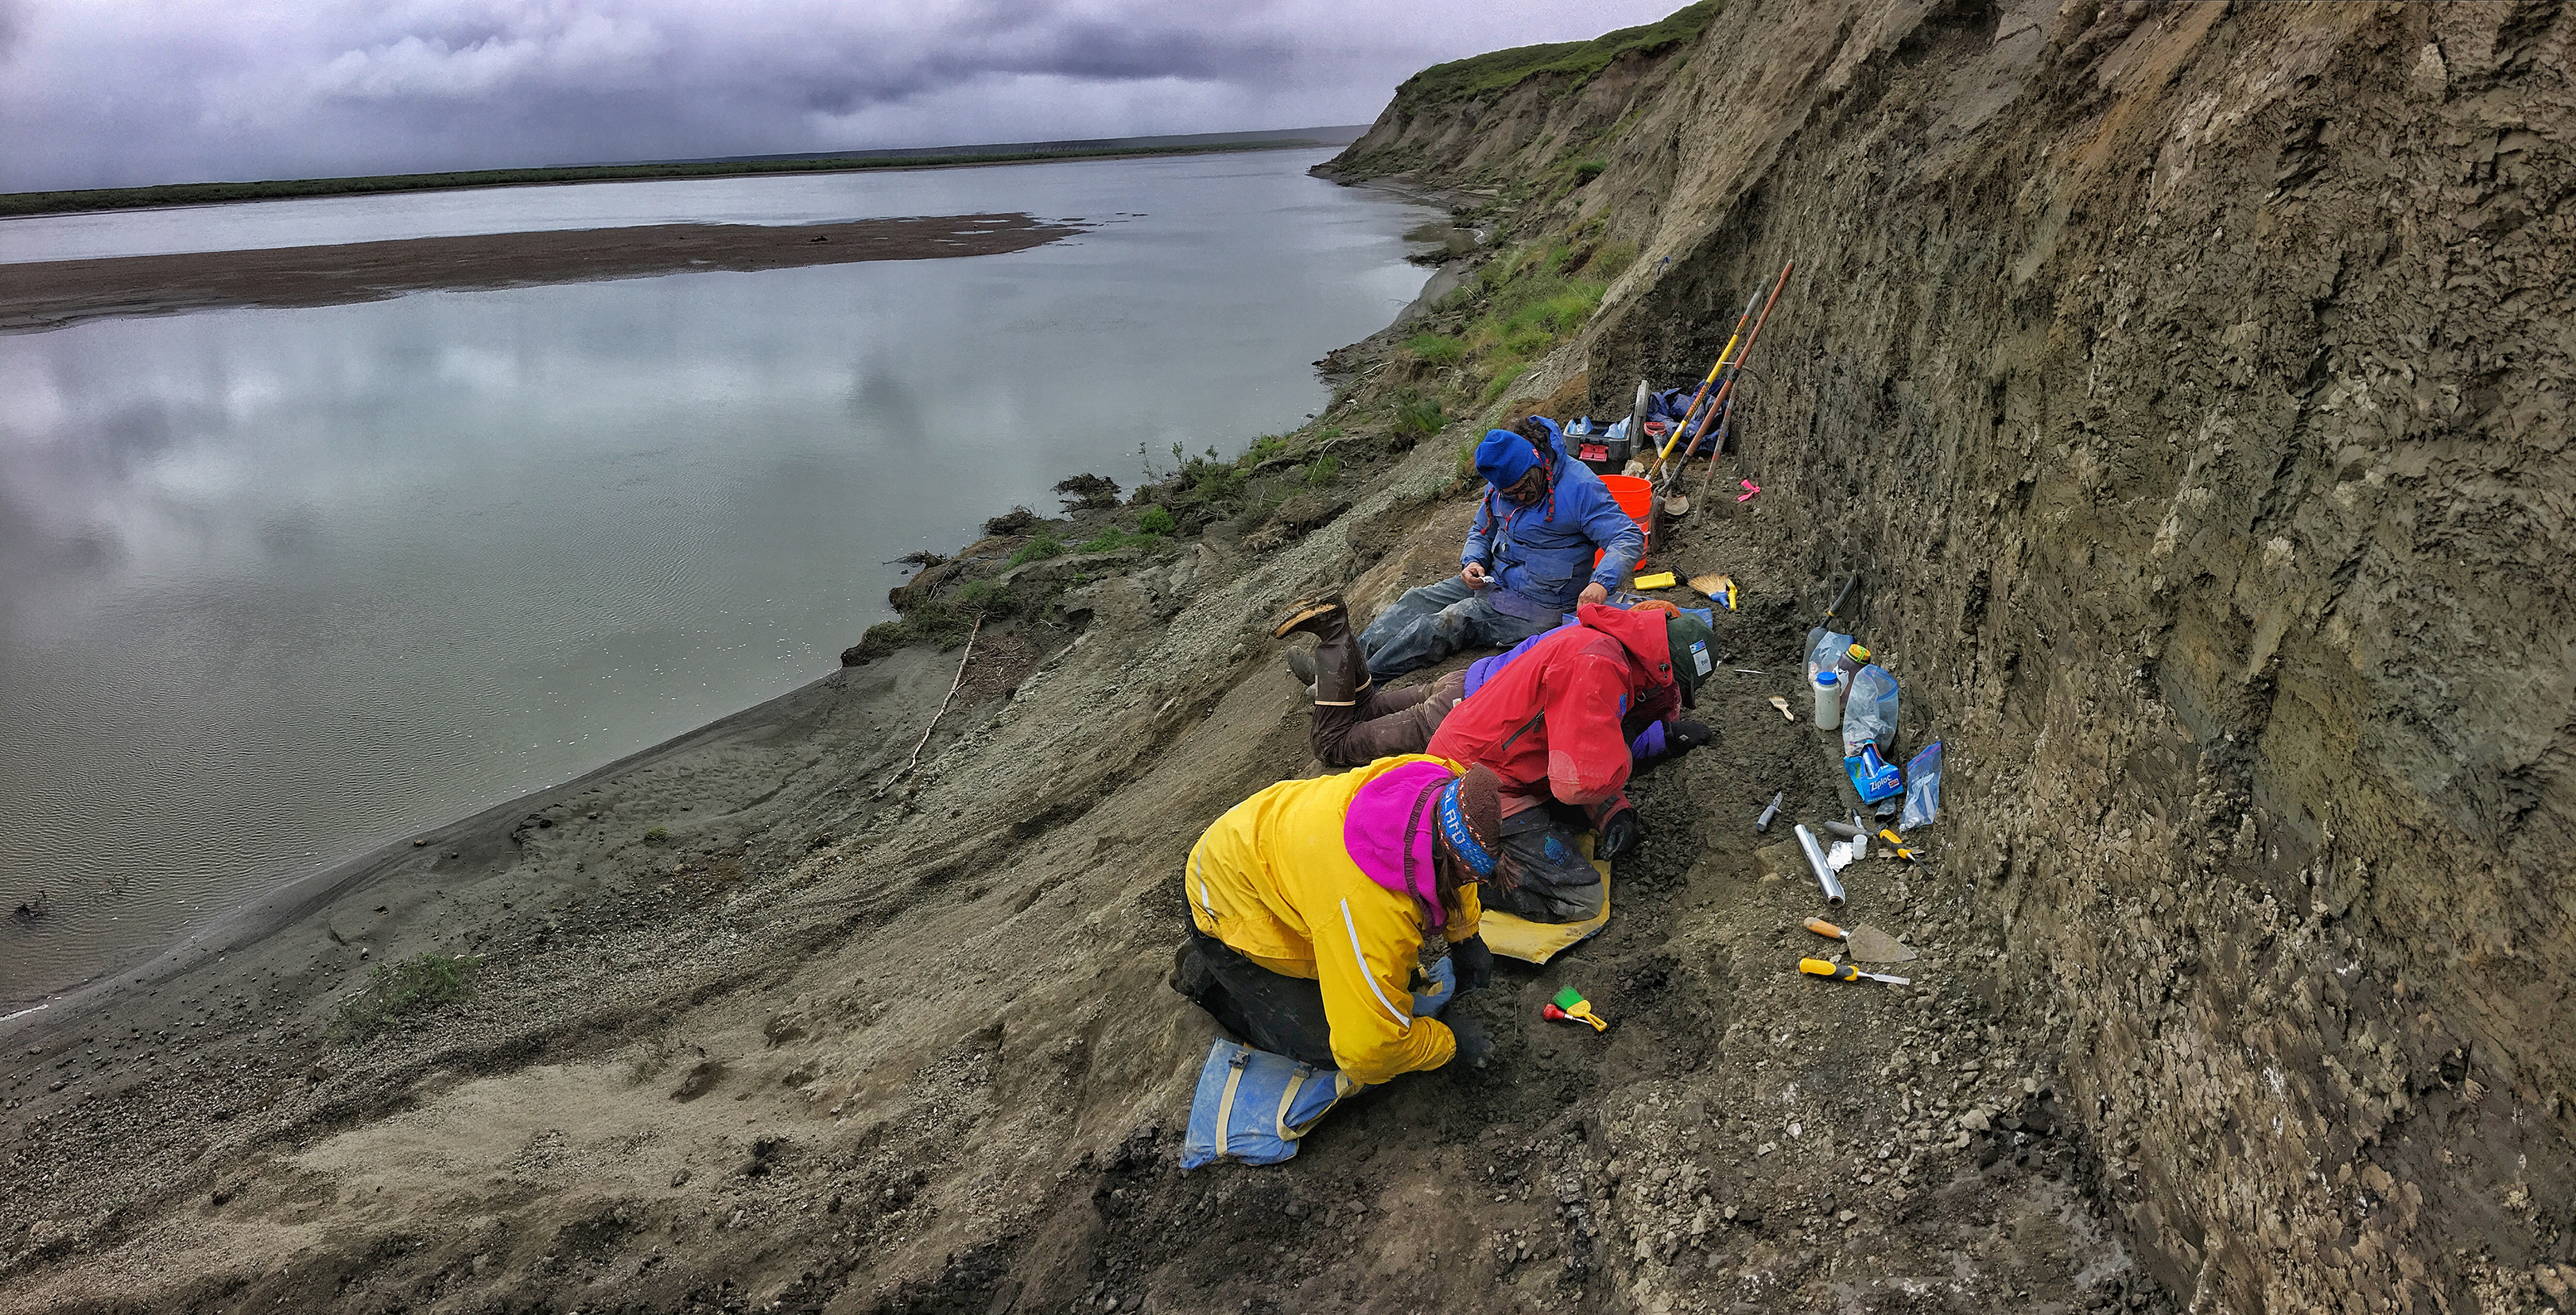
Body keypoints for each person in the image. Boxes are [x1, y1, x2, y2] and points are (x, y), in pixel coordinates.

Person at [1168, 756, 1504, 1085]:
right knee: (1326, 1042)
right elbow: (1367, 1052)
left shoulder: (1441, 782)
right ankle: (1207, 972)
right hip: (1226, 896)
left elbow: (1451, 858)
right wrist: (1448, 1043)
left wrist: (1466, 936)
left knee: (1373, 981)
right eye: (1467, 877)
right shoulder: (1369, 902)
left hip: (1263, 843)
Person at [1352, 416, 1646, 680]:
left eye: (1525, 487)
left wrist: (1601, 583)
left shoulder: (1579, 487)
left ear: (1537, 462)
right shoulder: (1498, 486)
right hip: (1495, 579)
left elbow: (1626, 536)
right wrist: (1473, 562)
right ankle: (1345, 664)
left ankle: (1357, 684)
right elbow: (1481, 530)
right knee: (1415, 600)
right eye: (1511, 494)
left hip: (1542, 604)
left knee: (1446, 622)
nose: (1521, 497)